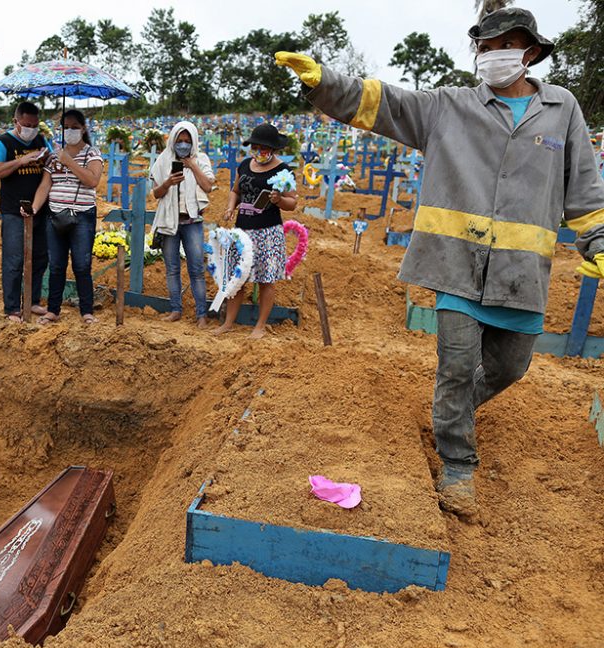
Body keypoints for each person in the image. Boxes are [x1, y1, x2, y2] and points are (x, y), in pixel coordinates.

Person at [276, 6, 604, 520]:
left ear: (531, 52)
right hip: (456, 263)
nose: (494, 56)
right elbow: (384, 105)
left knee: (509, 367)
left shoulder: (562, 109)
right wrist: (324, 84)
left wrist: (597, 241)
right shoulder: (450, 106)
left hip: (521, 274)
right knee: (454, 366)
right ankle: (457, 465)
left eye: (506, 46)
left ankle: (450, 415)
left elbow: (583, 186)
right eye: (486, 47)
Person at [215, 124, 298, 339]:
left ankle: (260, 326)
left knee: (265, 280)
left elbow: (293, 203)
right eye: (256, 147)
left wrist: (279, 200)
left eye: (264, 147)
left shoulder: (283, 171)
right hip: (242, 231)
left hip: (267, 232)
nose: (259, 151)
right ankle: (228, 323)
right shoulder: (244, 165)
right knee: (238, 278)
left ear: (273, 148)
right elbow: (236, 191)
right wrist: (230, 207)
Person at [30, 109, 104, 325]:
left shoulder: (92, 153)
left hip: (81, 216)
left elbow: (92, 180)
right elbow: (45, 185)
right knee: (57, 265)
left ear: (83, 129)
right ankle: (53, 310)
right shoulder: (54, 157)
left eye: (74, 127)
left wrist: (70, 161)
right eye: (66, 127)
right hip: (55, 215)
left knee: (81, 265)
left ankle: (86, 311)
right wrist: (34, 208)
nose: (70, 131)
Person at [0, 102, 52, 322]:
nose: (31, 129)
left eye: (35, 125)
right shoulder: (2, 142)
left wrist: (48, 158)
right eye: (27, 125)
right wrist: (21, 161)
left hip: (40, 209)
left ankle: (32, 300)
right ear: (16, 122)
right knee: (14, 260)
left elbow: (51, 164)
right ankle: (12, 307)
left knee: (40, 258)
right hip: (14, 210)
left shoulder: (41, 141)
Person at [149, 121, 216, 328]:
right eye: (180, 140)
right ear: (173, 140)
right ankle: (175, 309)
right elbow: (156, 193)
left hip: (192, 221)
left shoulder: (201, 159)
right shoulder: (163, 160)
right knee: (171, 268)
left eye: (188, 141)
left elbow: (207, 186)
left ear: (194, 141)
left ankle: (201, 314)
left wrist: (192, 165)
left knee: (196, 268)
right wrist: (168, 182)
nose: (184, 144)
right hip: (170, 222)